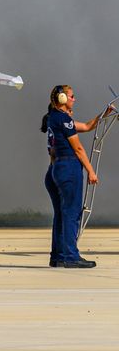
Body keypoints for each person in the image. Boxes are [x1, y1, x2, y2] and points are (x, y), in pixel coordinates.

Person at [41, 85, 111, 268]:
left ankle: (58, 256)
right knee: (72, 213)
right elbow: (78, 149)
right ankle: (71, 256)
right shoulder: (64, 119)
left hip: (54, 169)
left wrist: (104, 114)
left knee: (60, 215)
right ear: (62, 99)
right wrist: (91, 171)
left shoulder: (53, 118)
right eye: (72, 96)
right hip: (68, 168)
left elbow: (87, 126)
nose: (74, 99)